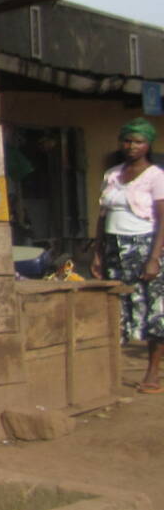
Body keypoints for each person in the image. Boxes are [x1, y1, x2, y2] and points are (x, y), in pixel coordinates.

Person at [90, 118, 164, 391]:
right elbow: (102, 216)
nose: (132, 146)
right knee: (117, 308)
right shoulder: (112, 175)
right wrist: (98, 253)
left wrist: (155, 257)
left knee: (155, 310)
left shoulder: (156, 176)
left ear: (148, 145)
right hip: (114, 247)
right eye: (128, 140)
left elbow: (162, 219)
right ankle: (112, 371)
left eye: (138, 141)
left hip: (145, 246)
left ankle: (153, 372)